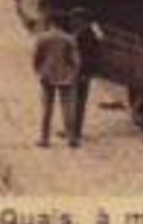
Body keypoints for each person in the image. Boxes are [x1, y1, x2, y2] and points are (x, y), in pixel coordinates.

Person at [33, 10, 98, 148]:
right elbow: (76, 61)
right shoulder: (69, 39)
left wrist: (39, 71)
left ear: (51, 22)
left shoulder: (42, 38)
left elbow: (36, 58)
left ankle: (44, 139)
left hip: (47, 77)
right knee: (68, 108)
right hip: (66, 78)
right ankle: (71, 139)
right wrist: (73, 74)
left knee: (47, 109)